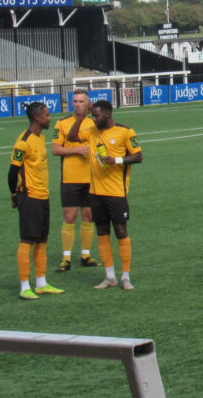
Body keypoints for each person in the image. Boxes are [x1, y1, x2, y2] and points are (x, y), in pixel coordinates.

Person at [67, 99, 142, 291]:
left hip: (116, 192)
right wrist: (81, 116)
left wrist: (115, 160)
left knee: (121, 232)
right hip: (95, 192)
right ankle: (110, 276)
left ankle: (125, 276)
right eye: (92, 115)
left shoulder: (125, 131)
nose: (94, 118)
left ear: (107, 114)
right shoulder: (91, 130)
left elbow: (138, 156)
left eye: (96, 115)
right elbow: (72, 136)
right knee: (102, 232)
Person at [8, 101, 64, 300]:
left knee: (42, 239)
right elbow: (12, 171)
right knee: (28, 239)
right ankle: (25, 286)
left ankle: (41, 283)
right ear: (37, 118)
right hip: (29, 196)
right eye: (47, 115)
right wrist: (15, 195)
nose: (50, 118)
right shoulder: (24, 141)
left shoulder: (40, 138)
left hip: (42, 196)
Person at [51, 90, 100, 272]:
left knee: (88, 216)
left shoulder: (94, 123)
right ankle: (66, 258)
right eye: (75, 101)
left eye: (81, 101)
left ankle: (85, 255)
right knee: (69, 217)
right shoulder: (62, 123)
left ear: (88, 104)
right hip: (70, 178)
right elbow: (56, 150)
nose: (77, 104)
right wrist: (77, 151)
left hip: (91, 178)